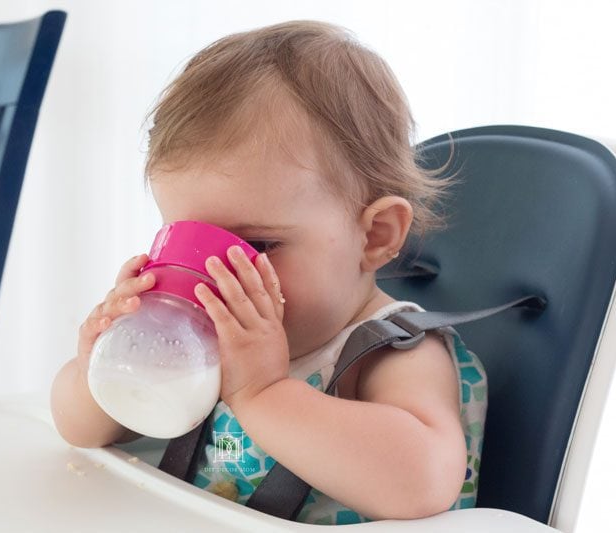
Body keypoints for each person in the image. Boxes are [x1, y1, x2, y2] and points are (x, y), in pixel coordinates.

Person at [50, 20, 487, 525]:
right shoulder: (206, 344)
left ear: (375, 236)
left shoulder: (394, 352)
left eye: (255, 246)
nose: (214, 279)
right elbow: (81, 429)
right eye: (189, 242)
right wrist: (99, 369)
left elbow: (420, 484)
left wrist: (264, 394)